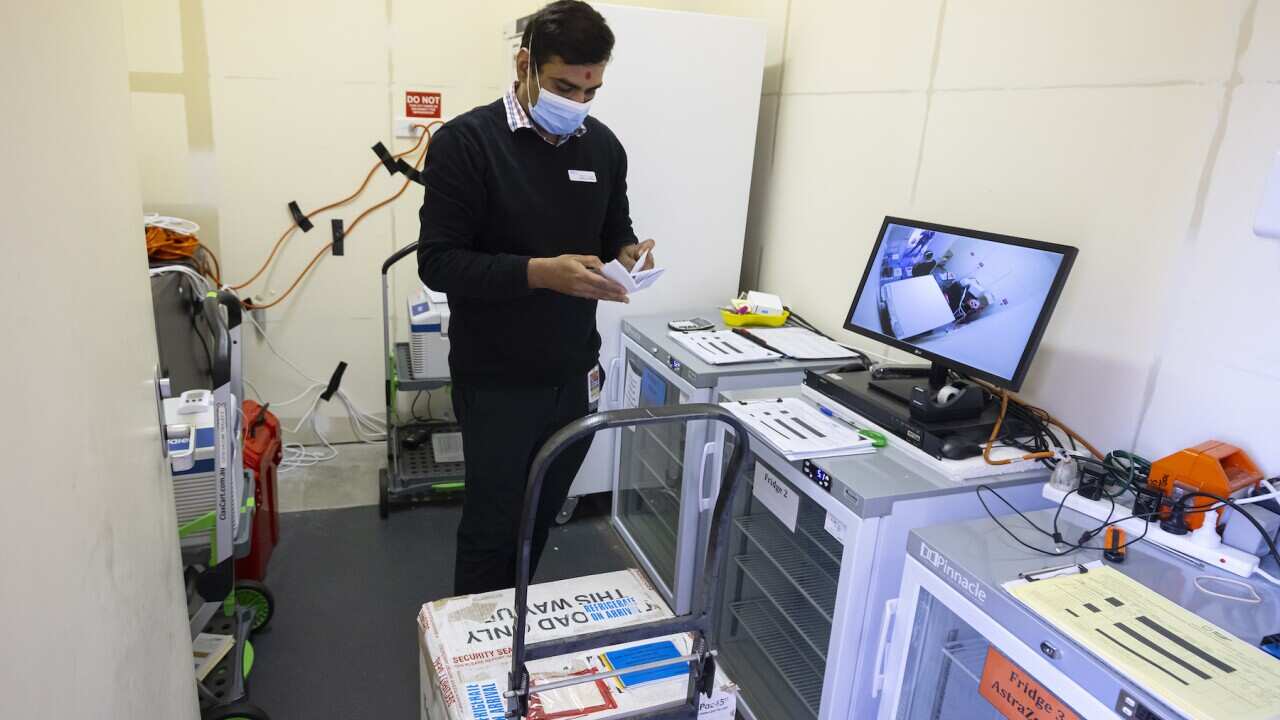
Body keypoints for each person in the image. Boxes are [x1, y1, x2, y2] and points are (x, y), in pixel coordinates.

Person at [416, 1, 654, 595]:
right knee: (492, 527)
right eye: (562, 86)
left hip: (574, 375)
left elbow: (613, 231)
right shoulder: (466, 143)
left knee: (538, 520)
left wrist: (629, 253)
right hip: (496, 379)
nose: (576, 103)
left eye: (590, 90)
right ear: (524, 65)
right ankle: (476, 655)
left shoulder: (603, 148)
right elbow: (438, 263)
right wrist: (539, 274)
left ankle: (515, 620)